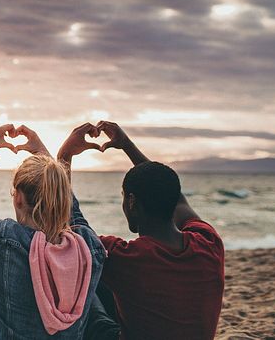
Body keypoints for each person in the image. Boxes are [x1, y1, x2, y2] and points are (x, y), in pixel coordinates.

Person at [78, 121, 225, 340]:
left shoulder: (126, 258)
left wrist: (63, 156)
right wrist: (126, 145)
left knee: (88, 296)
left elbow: (70, 226)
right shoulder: (209, 242)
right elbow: (177, 199)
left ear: (131, 202)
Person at [0, 123, 105, 339]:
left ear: (18, 198)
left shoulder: (6, 242)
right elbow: (73, 212)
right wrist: (42, 153)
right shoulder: (89, 247)